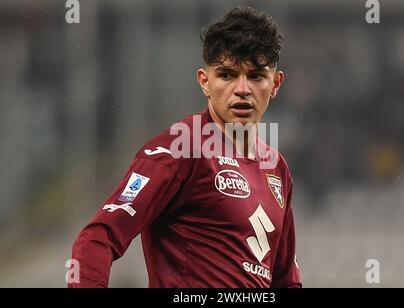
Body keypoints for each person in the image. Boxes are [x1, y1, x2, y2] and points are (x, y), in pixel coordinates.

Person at [69, 6, 301, 288]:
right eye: (226, 75)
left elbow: (285, 281)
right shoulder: (180, 150)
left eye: (255, 76)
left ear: (275, 84)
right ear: (205, 82)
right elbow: (97, 239)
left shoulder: (276, 168)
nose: (242, 89)